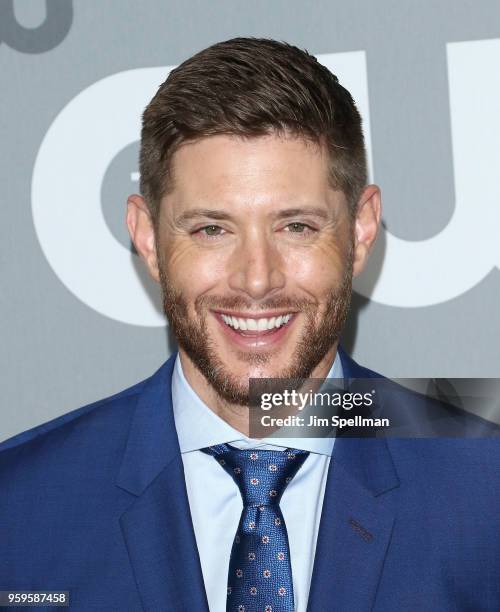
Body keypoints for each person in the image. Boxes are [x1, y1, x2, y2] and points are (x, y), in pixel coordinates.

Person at [0, 37, 498, 612]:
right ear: (147, 238)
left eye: (297, 227)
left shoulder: (486, 491)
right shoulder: (19, 511)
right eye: (213, 229)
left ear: (361, 231)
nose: (256, 280)